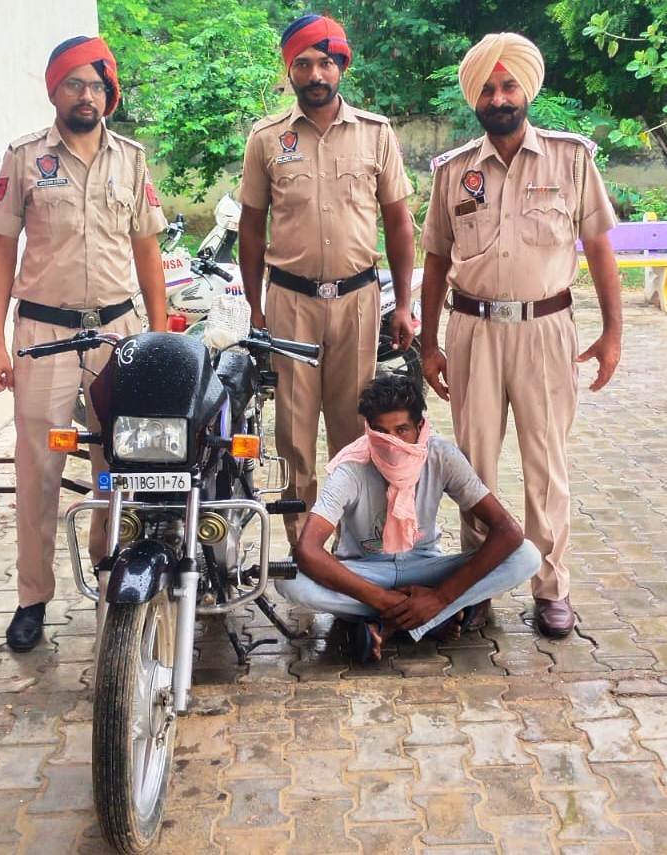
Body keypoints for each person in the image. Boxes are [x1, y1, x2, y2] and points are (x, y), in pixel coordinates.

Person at [420, 32, 622, 638]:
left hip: (546, 329)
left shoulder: (570, 159)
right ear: (474, 97)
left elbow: (599, 248)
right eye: (487, 88)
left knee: (546, 464)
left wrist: (613, 332)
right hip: (473, 331)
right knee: (473, 465)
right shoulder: (453, 171)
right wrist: (429, 344)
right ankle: (477, 587)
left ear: (526, 90)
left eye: (508, 86)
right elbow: (436, 259)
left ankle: (551, 587)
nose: (499, 98)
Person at [0, 36, 167, 651]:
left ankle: (113, 574)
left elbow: (147, 250)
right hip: (45, 334)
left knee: (119, 465)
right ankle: (32, 597)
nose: (86, 96)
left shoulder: (131, 159)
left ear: (108, 94)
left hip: (118, 332)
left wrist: (157, 333)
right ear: (54, 91)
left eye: (96, 85)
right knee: (38, 470)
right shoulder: (25, 158)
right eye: (74, 84)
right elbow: (2, 252)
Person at [239, 13, 415, 547]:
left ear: (341, 67)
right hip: (290, 301)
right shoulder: (266, 139)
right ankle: (304, 550)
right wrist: (256, 308)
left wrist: (404, 304)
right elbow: (251, 228)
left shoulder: (376, 134)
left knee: (354, 427)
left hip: (357, 299)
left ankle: (354, 546)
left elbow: (398, 222)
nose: (315, 74)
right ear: (289, 70)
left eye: (325, 63)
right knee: (293, 433)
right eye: (303, 64)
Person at [276, 374, 540, 663]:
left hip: (425, 568)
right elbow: (307, 550)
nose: (391, 442)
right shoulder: (351, 465)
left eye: (401, 430)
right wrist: (384, 599)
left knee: (526, 556)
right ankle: (426, 618)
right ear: (368, 430)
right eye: (381, 431)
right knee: (288, 579)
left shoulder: (441, 456)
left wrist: (440, 597)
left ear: (420, 426)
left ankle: (387, 625)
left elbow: (507, 531)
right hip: (366, 573)